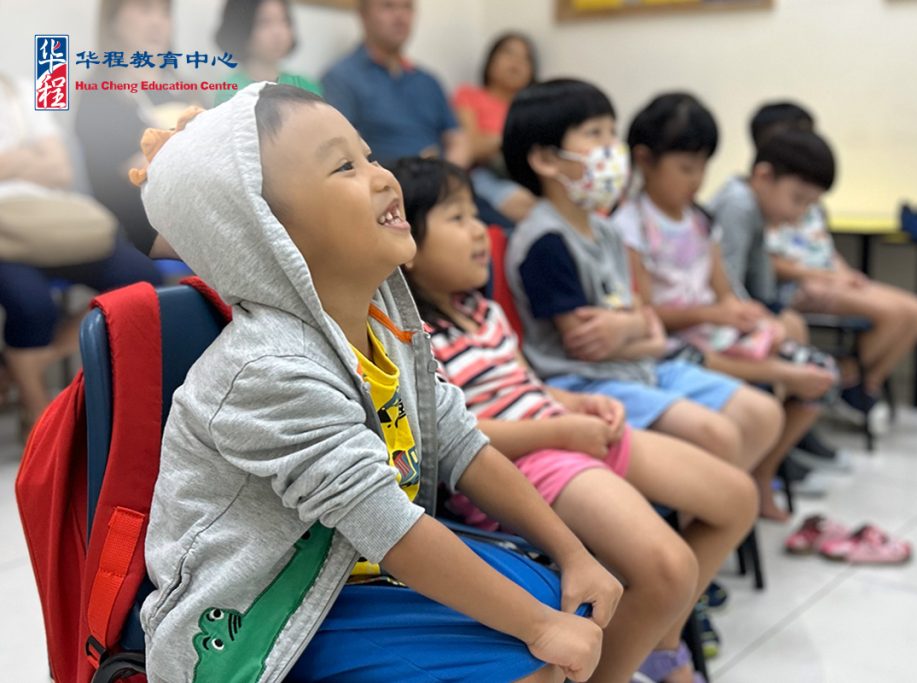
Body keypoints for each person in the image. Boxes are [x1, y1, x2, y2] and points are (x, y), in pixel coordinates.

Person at [134, 83, 622, 683]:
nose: (384, 177)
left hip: (348, 577)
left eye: (368, 155)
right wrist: (540, 629)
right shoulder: (268, 369)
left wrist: (574, 553)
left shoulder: (384, 329)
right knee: (534, 656)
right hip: (265, 618)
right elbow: (389, 527)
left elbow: (462, 444)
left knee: (559, 597)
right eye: (345, 166)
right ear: (265, 232)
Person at [392, 155, 758, 682]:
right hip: (520, 465)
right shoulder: (415, 336)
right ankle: (628, 659)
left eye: (477, 214)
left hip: (566, 436)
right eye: (456, 218)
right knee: (670, 568)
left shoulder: (485, 311)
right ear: (407, 244)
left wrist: (574, 403)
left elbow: (527, 386)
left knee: (735, 497)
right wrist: (562, 429)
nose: (480, 231)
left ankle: (655, 641)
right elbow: (455, 438)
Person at [502, 78, 783, 479]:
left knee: (763, 414)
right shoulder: (544, 240)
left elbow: (641, 318)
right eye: (594, 133)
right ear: (546, 159)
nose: (611, 147)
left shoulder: (607, 231)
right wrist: (640, 327)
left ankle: (703, 516)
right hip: (586, 383)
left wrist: (634, 327)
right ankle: (693, 521)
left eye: (611, 132)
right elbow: (589, 345)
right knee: (717, 435)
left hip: (639, 363)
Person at [612, 92, 839, 521]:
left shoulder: (700, 220)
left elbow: (722, 290)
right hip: (675, 342)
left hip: (712, 333)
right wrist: (713, 315)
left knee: (820, 372)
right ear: (645, 160)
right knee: (787, 377)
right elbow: (644, 312)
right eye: (685, 168)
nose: (696, 180)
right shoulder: (629, 226)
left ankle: (761, 471)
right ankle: (735, 487)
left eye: (702, 168)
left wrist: (745, 314)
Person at [0, 72, 161, 433]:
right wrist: (30, 159)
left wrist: (9, 163)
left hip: (53, 221)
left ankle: (29, 363)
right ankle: (41, 422)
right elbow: (48, 165)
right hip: (4, 236)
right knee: (31, 305)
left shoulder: (22, 88)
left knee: (142, 280)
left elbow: (61, 169)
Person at [751, 102, 917, 414]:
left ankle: (860, 383)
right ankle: (846, 382)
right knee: (893, 315)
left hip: (827, 276)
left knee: (916, 311)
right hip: (802, 285)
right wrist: (827, 278)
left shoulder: (809, 198)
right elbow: (767, 263)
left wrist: (845, 274)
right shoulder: (762, 195)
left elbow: (824, 247)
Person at [75, 0, 200, 259]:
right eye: (145, 9)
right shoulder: (98, 97)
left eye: (165, 12)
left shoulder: (188, 89)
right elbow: (143, 173)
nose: (157, 21)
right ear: (113, 21)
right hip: (141, 232)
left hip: (200, 214)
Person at [321, 0, 470, 167]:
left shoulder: (428, 81)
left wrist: (446, 177)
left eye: (407, 7)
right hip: (385, 185)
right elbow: (342, 151)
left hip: (442, 183)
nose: (400, 16)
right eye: (388, 6)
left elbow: (457, 139)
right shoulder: (341, 78)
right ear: (363, 16)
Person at [452, 32, 538, 221]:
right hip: (484, 174)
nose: (516, 62)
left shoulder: (535, 107)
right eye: (509, 53)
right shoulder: (469, 95)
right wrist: (509, 139)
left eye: (526, 58)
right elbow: (471, 147)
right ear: (490, 60)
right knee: (524, 203)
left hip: (529, 174)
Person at [213, 0, 321, 106]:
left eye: (284, 21)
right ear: (240, 28)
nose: (278, 32)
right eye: (264, 22)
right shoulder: (230, 91)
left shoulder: (305, 85)